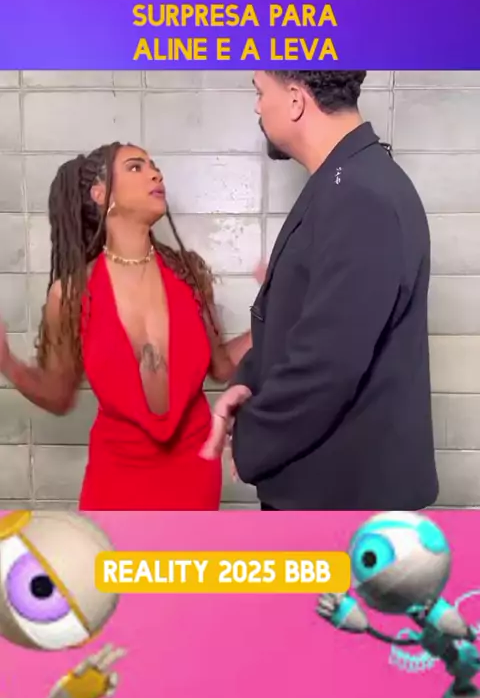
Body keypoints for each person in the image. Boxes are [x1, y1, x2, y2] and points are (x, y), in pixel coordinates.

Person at [202, 70, 439, 511]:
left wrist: (252, 435)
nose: (257, 106)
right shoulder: (344, 180)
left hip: (343, 504)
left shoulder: (358, 194)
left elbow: (328, 361)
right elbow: (305, 324)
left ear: (295, 99)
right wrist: (250, 383)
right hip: (332, 491)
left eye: (260, 92)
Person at [0, 142, 253, 511]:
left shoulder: (189, 273)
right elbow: (58, 394)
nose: (155, 174)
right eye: (136, 167)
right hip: (117, 476)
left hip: (194, 470)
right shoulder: (71, 293)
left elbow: (222, 366)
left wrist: (277, 315)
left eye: (154, 166)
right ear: (100, 194)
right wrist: (7, 362)